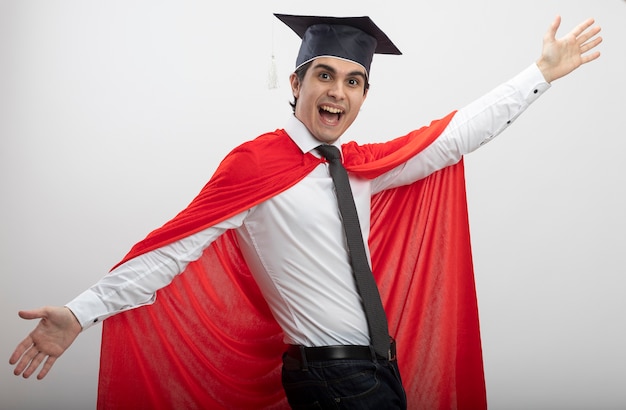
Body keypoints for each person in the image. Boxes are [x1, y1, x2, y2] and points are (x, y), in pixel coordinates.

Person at [9, 13, 601, 410]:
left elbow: (453, 136)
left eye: (354, 80)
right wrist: (81, 313)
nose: (338, 92)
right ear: (296, 82)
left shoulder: (361, 167)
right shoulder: (255, 165)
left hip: (374, 367)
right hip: (333, 376)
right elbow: (170, 250)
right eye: (324, 75)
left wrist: (541, 75)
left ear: (365, 96)